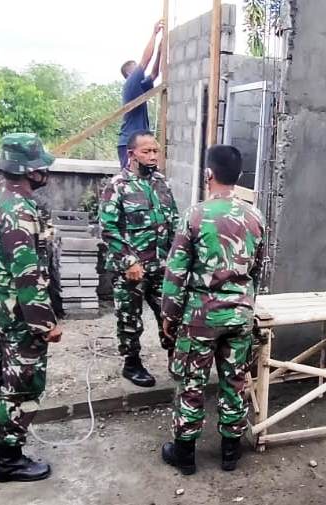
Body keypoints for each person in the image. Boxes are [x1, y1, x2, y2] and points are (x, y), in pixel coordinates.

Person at [159, 145, 265, 475]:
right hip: (240, 316)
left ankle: (185, 454)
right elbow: (257, 269)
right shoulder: (255, 216)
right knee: (234, 382)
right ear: (237, 176)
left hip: (200, 318)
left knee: (191, 382)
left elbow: (176, 273)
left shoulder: (194, 215)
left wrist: (169, 315)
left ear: (209, 174)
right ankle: (230, 453)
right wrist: (247, 305)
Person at [0, 133, 64, 483]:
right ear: (28, 170)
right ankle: (9, 458)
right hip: (19, 312)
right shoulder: (20, 212)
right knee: (22, 383)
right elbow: (27, 274)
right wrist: (45, 324)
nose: (46, 172)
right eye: (41, 166)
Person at [99, 130, 179, 387]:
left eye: (156, 151)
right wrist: (128, 262)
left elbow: (175, 221)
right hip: (131, 269)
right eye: (147, 151)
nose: (153, 156)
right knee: (129, 318)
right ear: (131, 154)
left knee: (170, 312)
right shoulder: (117, 186)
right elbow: (108, 230)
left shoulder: (161, 183)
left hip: (161, 265)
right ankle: (131, 364)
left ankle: (174, 357)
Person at [118, 20, 164, 169]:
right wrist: (154, 34)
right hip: (129, 144)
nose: (140, 70)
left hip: (139, 143)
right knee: (130, 180)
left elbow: (154, 74)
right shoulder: (131, 85)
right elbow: (145, 61)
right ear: (130, 74)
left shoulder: (140, 87)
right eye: (136, 68)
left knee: (144, 179)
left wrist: (159, 51)